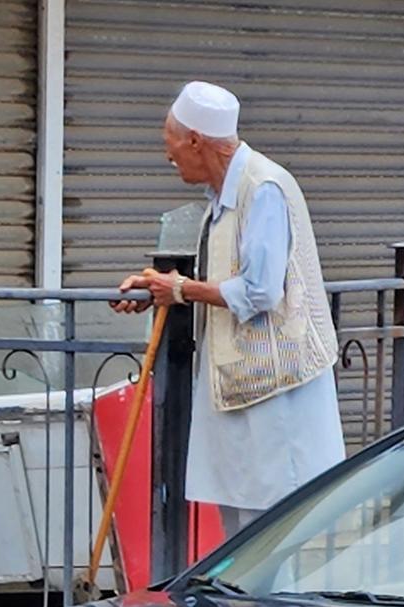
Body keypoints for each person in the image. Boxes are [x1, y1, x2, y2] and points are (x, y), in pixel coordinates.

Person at [113, 81, 346, 536]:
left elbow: (260, 290)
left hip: (277, 392)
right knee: (240, 535)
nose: (169, 156)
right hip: (240, 388)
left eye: (172, 144)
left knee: (272, 535)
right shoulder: (222, 198)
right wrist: (155, 284)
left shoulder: (263, 188)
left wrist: (180, 289)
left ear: (196, 141)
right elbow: (217, 271)